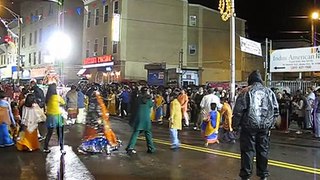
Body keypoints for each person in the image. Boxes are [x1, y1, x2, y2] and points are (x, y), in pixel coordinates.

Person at [233, 70, 279, 180]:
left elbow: (238, 111)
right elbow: (276, 110)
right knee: (263, 150)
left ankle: (246, 175)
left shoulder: (245, 92)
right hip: (264, 127)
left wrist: (235, 125)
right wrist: (270, 125)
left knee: (248, 151)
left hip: (249, 125)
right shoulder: (269, 92)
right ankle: (263, 174)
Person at [126, 87, 156, 155]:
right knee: (148, 133)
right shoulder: (149, 99)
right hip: (146, 119)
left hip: (139, 118)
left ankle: (130, 147)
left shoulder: (138, 99)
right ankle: (151, 148)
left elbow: (133, 107)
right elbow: (151, 106)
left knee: (135, 133)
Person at [43, 83, 66, 154]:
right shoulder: (56, 97)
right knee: (60, 133)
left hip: (49, 117)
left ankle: (45, 148)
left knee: (49, 133)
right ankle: (62, 148)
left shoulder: (47, 97)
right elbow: (64, 102)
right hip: (57, 116)